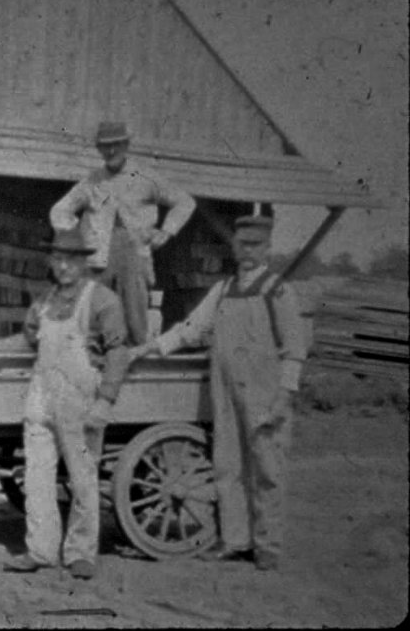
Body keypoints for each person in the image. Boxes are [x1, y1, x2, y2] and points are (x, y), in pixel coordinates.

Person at [128, 214, 306, 571]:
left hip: (264, 394)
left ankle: (267, 545)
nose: (247, 252)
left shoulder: (278, 291)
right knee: (228, 465)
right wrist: (149, 348)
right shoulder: (223, 289)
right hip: (224, 391)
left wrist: (284, 396)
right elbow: (191, 329)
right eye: (242, 245)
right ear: (234, 248)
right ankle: (236, 541)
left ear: (268, 248)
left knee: (267, 469)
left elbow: (295, 349)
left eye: (255, 245)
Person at [0, 228, 130, 580]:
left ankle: (81, 552)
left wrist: (106, 400)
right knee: (37, 478)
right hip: (40, 397)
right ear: (51, 261)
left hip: (80, 400)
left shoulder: (102, 300)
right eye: (58, 259)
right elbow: (28, 341)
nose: (64, 266)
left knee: (83, 478)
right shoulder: (45, 301)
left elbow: (118, 351)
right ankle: (40, 550)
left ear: (84, 262)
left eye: (71, 259)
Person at [49, 121, 196, 346]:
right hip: (98, 258)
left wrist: (166, 232)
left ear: (126, 145)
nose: (111, 151)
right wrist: (74, 238)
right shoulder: (92, 181)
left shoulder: (145, 177)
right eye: (105, 146)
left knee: (135, 319)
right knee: (94, 315)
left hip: (135, 256)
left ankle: (136, 367)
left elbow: (184, 202)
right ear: (98, 149)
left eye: (116, 145)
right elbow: (60, 210)